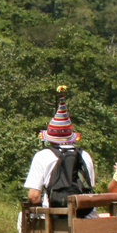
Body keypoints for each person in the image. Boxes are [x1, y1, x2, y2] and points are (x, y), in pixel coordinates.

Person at [23, 86, 95, 215]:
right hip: (85, 215)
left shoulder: (42, 156)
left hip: (55, 215)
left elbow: (33, 196)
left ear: (49, 139)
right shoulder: (85, 155)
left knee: (22, 216)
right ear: (71, 137)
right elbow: (90, 187)